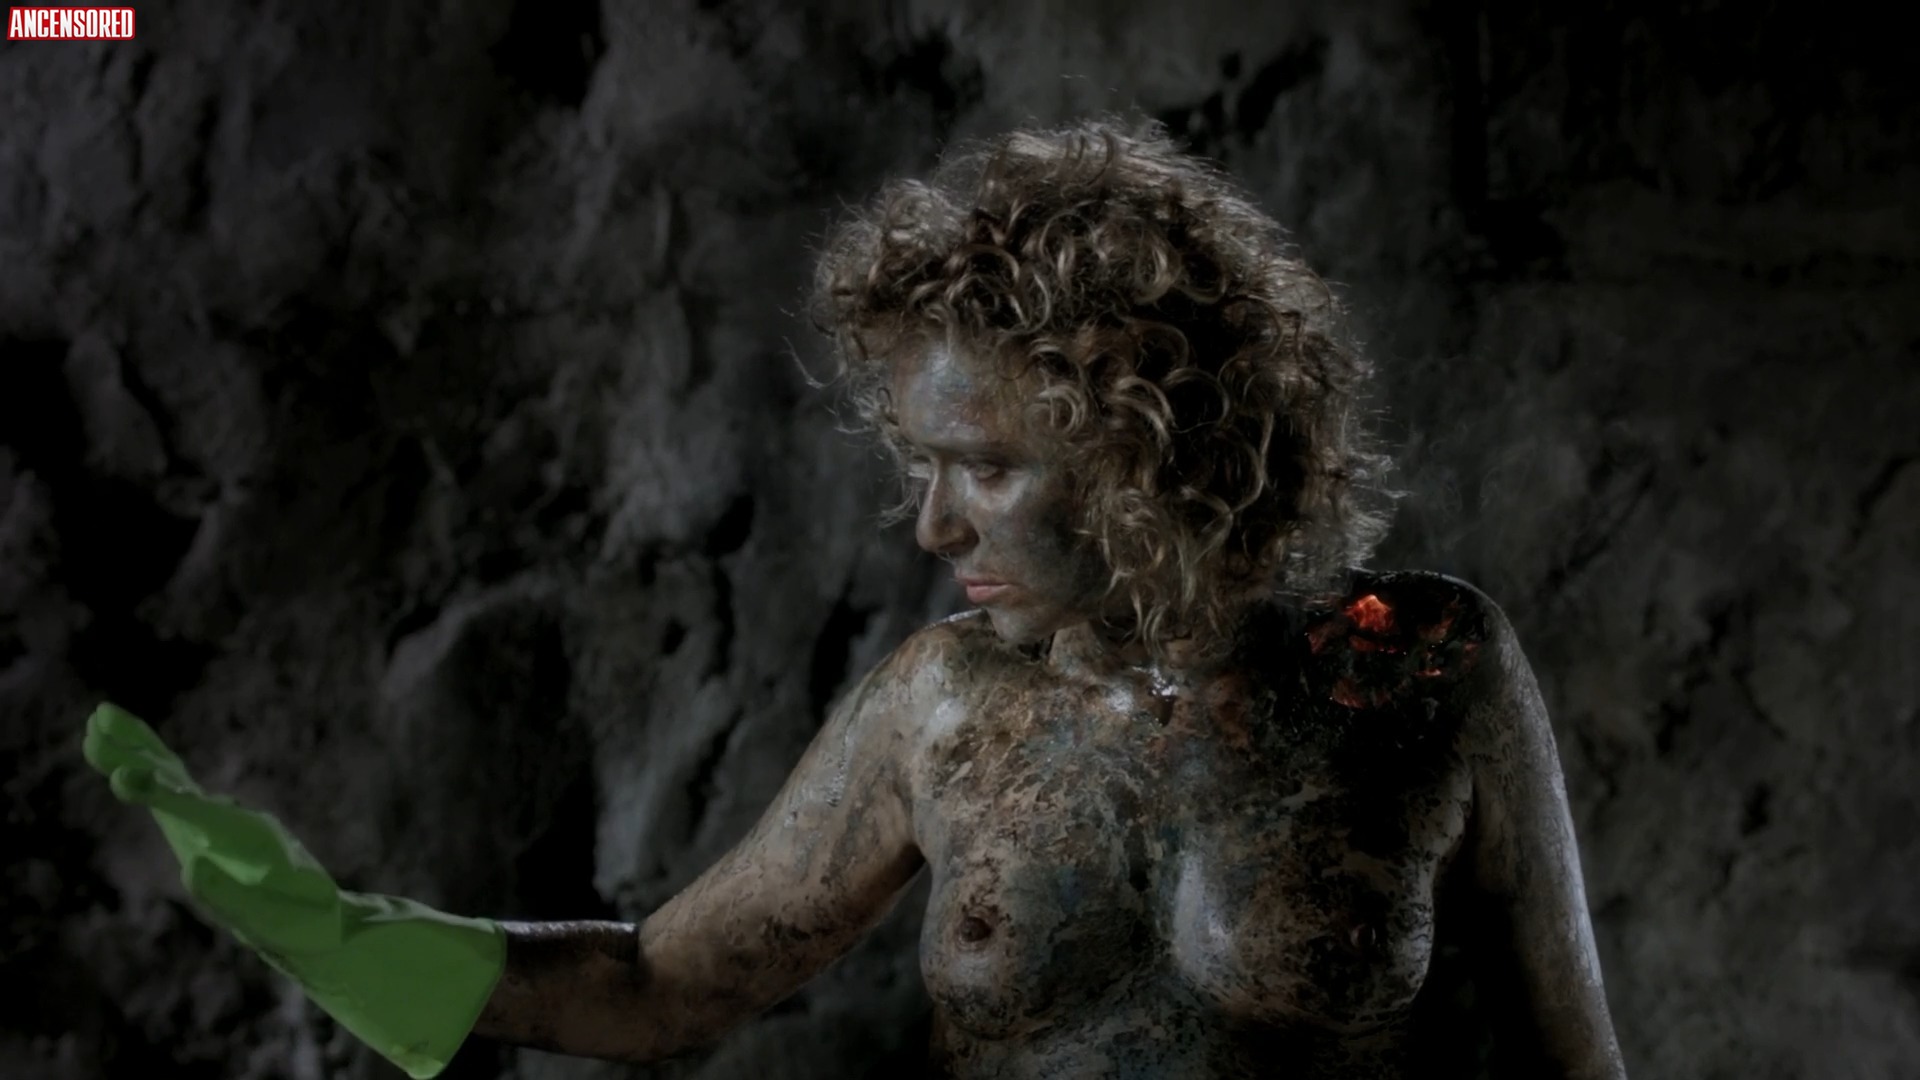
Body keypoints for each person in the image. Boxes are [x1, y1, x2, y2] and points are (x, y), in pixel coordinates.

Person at [84, 119, 1626, 1079]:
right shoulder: (941, 708)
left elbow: (1577, 1064)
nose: (933, 521)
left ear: (1148, 448)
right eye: (920, 464)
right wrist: (347, 935)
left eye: (985, 467)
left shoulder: (1424, 668)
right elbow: (655, 985)